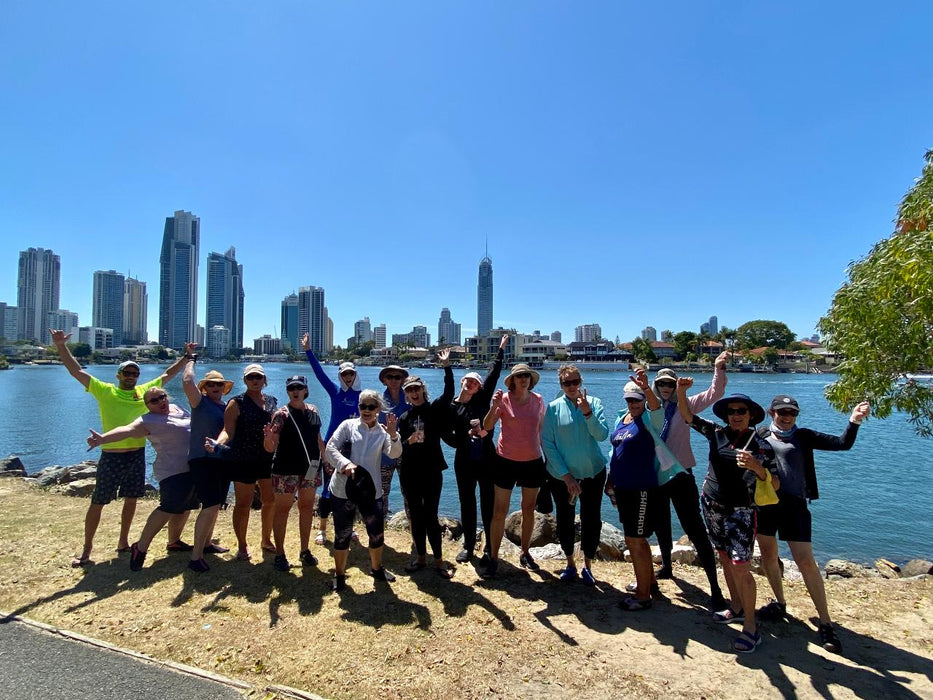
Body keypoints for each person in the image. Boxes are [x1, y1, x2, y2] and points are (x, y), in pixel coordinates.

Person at [49, 328, 193, 567]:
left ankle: (124, 542)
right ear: (119, 374)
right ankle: (86, 550)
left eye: (135, 372)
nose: (131, 376)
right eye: (127, 372)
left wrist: (186, 357)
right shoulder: (105, 390)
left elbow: (169, 374)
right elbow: (77, 371)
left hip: (136, 455)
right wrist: (61, 346)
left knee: (131, 500)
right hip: (111, 455)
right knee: (98, 501)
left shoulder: (144, 394)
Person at [755, 395, 870, 653]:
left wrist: (854, 420)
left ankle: (826, 622)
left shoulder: (804, 436)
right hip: (765, 504)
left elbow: (843, 444)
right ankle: (779, 602)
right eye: (781, 412)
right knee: (768, 556)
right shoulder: (760, 435)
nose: (786, 417)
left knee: (806, 562)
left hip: (795, 505)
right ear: (770, 411)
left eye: (792, 413)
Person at [676, 378, 778, 654]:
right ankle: (735, 606)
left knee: (741, 566)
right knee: (724, 557)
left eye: (741, 411)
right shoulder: (717, 432)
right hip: (712, 504)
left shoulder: (761, 444)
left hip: (741, 512)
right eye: (732, 411)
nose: (735, 415)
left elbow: (776, 483)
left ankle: (751, 627)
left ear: (751, 415)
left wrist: (756, 466)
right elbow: (687, 417)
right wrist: (682, 392)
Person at [85, 387, 198, 572]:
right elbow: (127, 430)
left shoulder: (178, 409)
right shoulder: (148, 420)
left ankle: (174, 541)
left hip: (191, 467)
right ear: (147, 406)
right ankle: (141, 546)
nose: (161, 402)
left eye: (162, 397)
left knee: (185, 506)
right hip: (171, 470)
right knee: (168, 507)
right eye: (154, 401)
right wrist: (102, 439)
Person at [649, 354, 728, 610]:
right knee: (661, 524)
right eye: (661, 384)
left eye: (669, 384)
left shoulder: (688, 405)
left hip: (682, 475)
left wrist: (718, 368)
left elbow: (715, 392)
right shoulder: (652, 409)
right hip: (658, 477)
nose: (666, 388)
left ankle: (715, 589)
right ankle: (667, 568)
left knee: (694, 528)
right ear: (656, 386)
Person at [608, 371, 675, 610]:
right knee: (632, 538)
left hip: (641, 489)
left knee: (636, 540)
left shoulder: (649, 420)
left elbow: (658, 410)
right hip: (623, 487)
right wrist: (610, 480)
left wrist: (647, 389)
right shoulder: (623, 420)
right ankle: (648, 582)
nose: (634, 404)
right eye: (630, 399)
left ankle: (643, 596)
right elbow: (616, 452)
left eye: (637, 399)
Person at [325, 390, 402, 591]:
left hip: (371, 491)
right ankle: (340, 575)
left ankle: (377, 569)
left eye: (371, 407)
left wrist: (394, 434)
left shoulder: (383, 433)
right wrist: (345, 464)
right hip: (343, 489)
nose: (366, 410)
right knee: (342, 534)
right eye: (362, 406)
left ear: (378, 409)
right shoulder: (347, 426)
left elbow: (395, 453)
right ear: (358, 407)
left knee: (376, 533)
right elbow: (330, 448)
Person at [541, 364, 609, 585]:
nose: (571, 386)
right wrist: (566, 476)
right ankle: (570, 563)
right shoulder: (552, 408)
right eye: (567, 383)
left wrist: (587, 412)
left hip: (593, 472)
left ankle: (587, 564)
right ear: (561, 385)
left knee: (592, 518)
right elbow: (548, 444)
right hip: (562, 476)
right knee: (565, 519)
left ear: (581, 381)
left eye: (575, 381)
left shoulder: (595, 403)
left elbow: (601, 435)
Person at [482, 362, 546, 578]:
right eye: (519, 377)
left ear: (530, 379)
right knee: (499, 511)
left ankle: (525, 552)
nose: (523, 379)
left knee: (528, 508)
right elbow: (487, 426)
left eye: (526, 376)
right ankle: (493, 557)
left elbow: (541, 431)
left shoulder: (538, 400)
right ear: (512, 381)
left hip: (533, 461)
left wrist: (548, 459)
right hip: (505, 461)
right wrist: (494, 406)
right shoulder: (504, 400)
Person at [207, 364, 276, 561]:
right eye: (251, 377)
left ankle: (266, 539)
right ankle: (242, 545)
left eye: (258, 377)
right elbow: (228, 430)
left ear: (264, 380)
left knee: (270, 500)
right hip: (243, 458)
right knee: (243, 503)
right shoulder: (236, 403)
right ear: (245, 380)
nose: (255, 380)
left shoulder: (271, 401)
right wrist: (218, 443)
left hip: (267, 457)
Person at [448, 334, 508, 564]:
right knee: (466, 501)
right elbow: (446, 433)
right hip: (464, 460)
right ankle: (469, 545)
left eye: (476, 382)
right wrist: (461, 440)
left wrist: (501, 349)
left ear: (479, 387)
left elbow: (493, 372)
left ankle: (489, 546)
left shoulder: (483, 400)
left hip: (486, 457)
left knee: (487, 501)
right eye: (468, 381)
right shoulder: (453, 406)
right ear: (462, 381)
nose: (471, 384)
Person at [397, 350, 455, 578]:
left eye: (416, 388)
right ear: (406, 395)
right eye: (409, 390)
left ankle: (439, 561)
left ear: (422, 389)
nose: (414, 392)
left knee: (431, 515)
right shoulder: (405, 418)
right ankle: (421, 557)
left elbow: (450, 392)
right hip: (410, 472)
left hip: (432, 471)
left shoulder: (434, 409)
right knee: (416, 516)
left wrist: (447, 366)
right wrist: (407, 440)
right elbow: (398, 446)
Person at [302, 332, 361, 545]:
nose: (348, 377)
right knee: (328, 489)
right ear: (340, 376)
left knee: (352, 490)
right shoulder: (335, 391)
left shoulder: (362, 396)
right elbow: (318, 374)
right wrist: (308, 350)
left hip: (354, 448)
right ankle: (323, 530)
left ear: (355, 375)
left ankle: (349, 528)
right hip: (332, 447)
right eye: (344, 374)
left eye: (350, 374)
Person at [263, 375, 326, 572]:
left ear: (305, 390)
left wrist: (327, 459)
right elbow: (269, 448)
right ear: (288, 391)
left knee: (306, 507)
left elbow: (317, 438)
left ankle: (304, 550)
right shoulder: (281, 415)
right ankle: (280, 553)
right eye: (292, 388)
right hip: (286, 469)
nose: (295, 391)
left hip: (310, 468)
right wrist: (269, 438)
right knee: (282, 509)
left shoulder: (313, 411)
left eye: (299, 387)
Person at [181, 360, 234, 571]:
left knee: (216, 505)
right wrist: (190, 360)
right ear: (204, 387)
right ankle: (196, 556)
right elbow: (186, 381)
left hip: (221, 460)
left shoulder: (226, 406)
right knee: (210, 505)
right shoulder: (199, 403)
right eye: (211, 384)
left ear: (224, 388)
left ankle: (207, 543)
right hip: (202, 459)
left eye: (219, 385)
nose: (215, 388)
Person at [378, 364, 410, 519]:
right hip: (384, 455)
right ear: (384, 380)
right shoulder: (378, 402)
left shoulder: (411, 398)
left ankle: (414, 536)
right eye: (390, 377)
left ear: (403, 380)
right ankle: (379, 534)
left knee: (409, 494)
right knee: (382, 494)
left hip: (406, 454)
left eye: (397, 377)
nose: (394, 380)